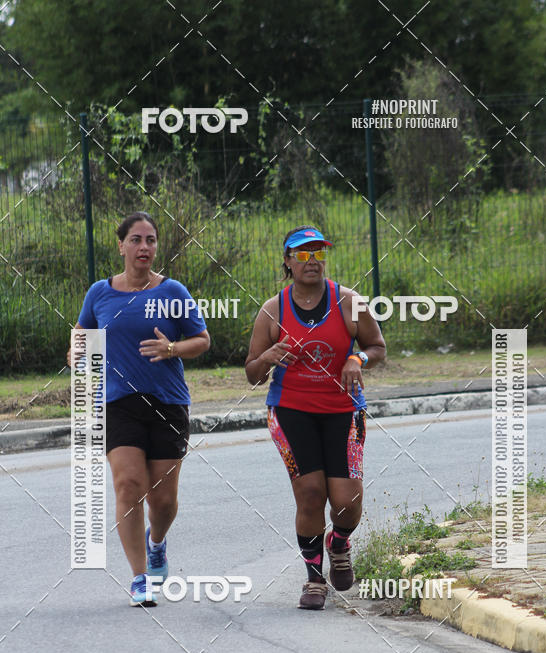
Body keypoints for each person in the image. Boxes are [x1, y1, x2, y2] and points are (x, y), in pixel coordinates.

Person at [67, 212, 210, 606]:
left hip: (167, 403)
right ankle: (139, 577)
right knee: (129, 485)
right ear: (121, 246)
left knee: (161, 500)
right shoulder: (100, 293)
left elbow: (202, 340)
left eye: (150, 240)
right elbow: (83, 332)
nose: (144, 247)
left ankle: (157, 541)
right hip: (116, 404)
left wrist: (173, 349)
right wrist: (76, 350)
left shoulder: (173, 292)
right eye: (136, 239)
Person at [245, 226, 386, 610]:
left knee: (346, 502)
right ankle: (313, 579)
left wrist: (358, 358)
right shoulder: (273, 311)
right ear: (288, 262)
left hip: (344, 410)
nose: (312, 261)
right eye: (302, 254)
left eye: (318, 253)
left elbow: (378, 347)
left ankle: (339, 543)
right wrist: (269, 357)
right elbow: (252, 373)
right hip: (291, 411)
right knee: (310, 494)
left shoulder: (350, 302)